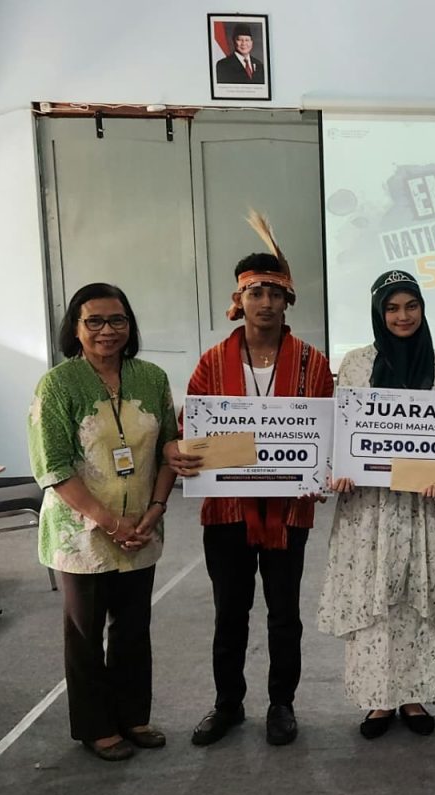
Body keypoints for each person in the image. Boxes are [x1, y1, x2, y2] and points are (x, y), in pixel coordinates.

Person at [165, 213, 334, 747]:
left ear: (288, 300)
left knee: (284, 613)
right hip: (228, 509)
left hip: (288, 510)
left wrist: (322, 466)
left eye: (274, 293)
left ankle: (282, 703)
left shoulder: (312, 363)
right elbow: (191, 427)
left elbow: (328, 430)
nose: (265, 302)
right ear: (239, 299)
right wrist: (183, 451)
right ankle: (228, 704)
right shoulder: (212, 362)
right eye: (255, 292)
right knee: (229, 612)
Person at [28, 283, 177, 761]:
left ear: (129, 325)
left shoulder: (151, 378)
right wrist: (110, 522)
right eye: (94, 321)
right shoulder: (58, 385)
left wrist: (154, 511)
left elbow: (170, 450)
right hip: (81, 535)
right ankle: (96, 726)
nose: (107, 330)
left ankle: (133, 716)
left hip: (142, 528)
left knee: (134, 628)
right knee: (85, 634)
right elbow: (53, 467)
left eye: (117, 320)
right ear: (75, 328)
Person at [318, 270, 435, 739]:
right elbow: (342, 429)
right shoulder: (357, 364)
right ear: (379, 313)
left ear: (422, 309)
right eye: (393, 308)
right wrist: (341, 466)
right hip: (370, 510)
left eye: (411, 306)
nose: (403, 316)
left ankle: (415, 695)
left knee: (419, 597)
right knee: (376, 600)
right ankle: (379, 700)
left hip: (425, 509)